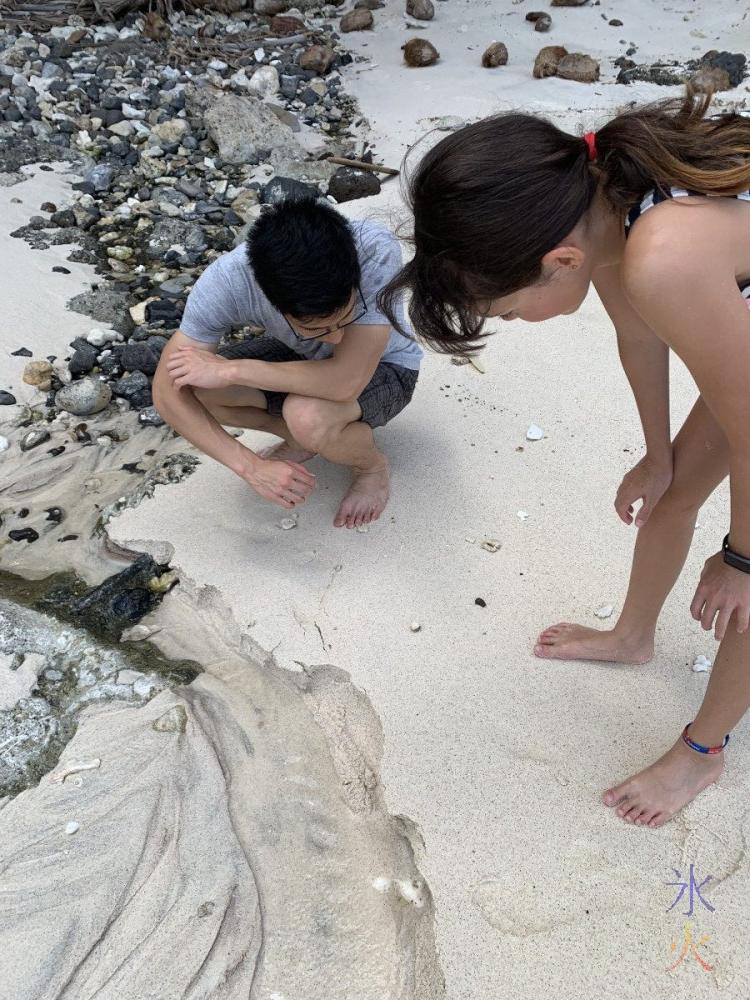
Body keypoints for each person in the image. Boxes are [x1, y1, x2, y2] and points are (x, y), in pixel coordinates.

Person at [378, 88, 750, 828]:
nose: (519, 322)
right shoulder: (603, 202)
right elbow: (639, 335)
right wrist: (655, 454)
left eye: (510, 312)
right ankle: (632, 636)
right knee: (675, 493)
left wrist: (741, 559)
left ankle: (701, 754)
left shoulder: (662, 257)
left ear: (559, 260)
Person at [153, 197, 422, 528]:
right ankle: (300, 439)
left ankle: (370, 465)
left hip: (387, 367)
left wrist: (231, 370)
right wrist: (250, 467)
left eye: (345, 319)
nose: (336, 338)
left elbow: (345, 381)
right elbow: (166, 391)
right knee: (194, 384)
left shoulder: (374, 251)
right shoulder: (227, 282)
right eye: (316, 328)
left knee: (306, 416)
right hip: (298, 358)